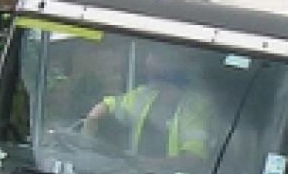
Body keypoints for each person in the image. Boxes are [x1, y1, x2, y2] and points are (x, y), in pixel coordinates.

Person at [81, 45, 214, 162]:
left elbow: (194, 159)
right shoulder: (146, 94)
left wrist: (147, 164)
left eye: (154, 75)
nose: (149, 81)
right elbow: (113, 104)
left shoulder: (196, 107)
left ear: (171, 75)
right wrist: (93, 118)